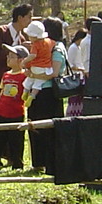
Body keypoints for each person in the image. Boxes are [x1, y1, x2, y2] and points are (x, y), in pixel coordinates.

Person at [27, 17, 68, 171]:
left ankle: (51, 163)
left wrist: (33, 76)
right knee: (34, 126)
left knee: (48, 129)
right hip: (38, 91)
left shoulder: (57, 48)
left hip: (49, 93)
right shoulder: (42, 47)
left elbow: (55, 72)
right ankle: (38, 162)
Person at [0, 44, 29, 173]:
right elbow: (2, 92)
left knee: (16, 140)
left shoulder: (25, 76)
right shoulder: (6, 75)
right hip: (1, 112)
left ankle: (17, 164)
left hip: (16, 113)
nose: (8, 58)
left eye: (12, 56)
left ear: (21, 60)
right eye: (8, 55)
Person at [0, 3, 33, 110]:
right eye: (29, 17)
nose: (31, 20)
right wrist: (16, 48)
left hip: (13, 83)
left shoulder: (22, 38)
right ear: (20, 18)